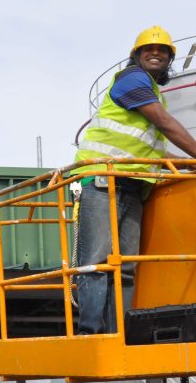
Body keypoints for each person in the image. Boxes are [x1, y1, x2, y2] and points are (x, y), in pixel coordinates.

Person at [73, 25, 196, 334]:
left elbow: (155, 152)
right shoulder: (131, 80)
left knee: (125, 267)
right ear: (136, 56)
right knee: (96, 263)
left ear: (169, 59)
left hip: (132, 186)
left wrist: (188, 165)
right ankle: (92, 333)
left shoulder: (154, 93)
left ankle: (120, 332)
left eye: (162, 51)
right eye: (148, 49)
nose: (155, 53)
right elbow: (165, 124)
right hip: (102, 180)